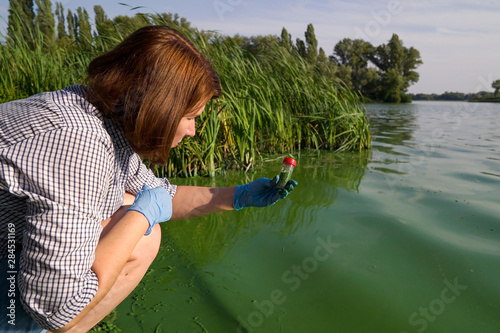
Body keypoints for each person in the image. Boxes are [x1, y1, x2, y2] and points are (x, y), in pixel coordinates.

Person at [0, 25, 297, 333]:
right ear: (161, 108)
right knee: (139, 228)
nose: (193, 132)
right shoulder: (80, 142)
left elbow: (160, 193)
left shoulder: (102, 117)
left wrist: (239, 195)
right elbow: (57, 310)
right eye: (190, 118)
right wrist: (142, 216)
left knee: (134, 214)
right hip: (29, 285)